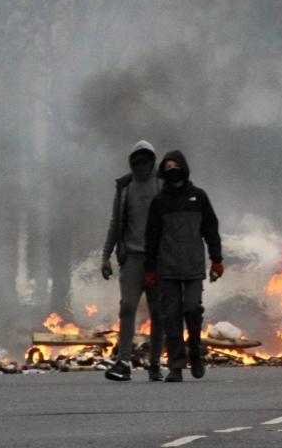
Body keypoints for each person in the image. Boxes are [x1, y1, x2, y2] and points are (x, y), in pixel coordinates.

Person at [144, 151, 223, 383]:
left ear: (184, 167)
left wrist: (216, 260)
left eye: (175, 165)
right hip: (167, 268)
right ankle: (176, 366)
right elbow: (151, 236)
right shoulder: (159, 202)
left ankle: (196, 351)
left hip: (192, 266)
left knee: (191, 309)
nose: (171, 170)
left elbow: (211, 229)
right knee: (171, 317)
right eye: (167, 166)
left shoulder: (198, 197)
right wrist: (150, 268)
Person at [100, 140, 165, 381]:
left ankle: (155, 363)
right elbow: (115, 224)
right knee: (127, 307)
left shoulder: (162, 184)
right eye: (137, 163)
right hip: (132, 260)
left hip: (158, 260)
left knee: (158, 313)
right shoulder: (125, 188)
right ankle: (123, 361)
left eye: (145, 162)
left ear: (152, 162)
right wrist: (106, 256)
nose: (141, 167)